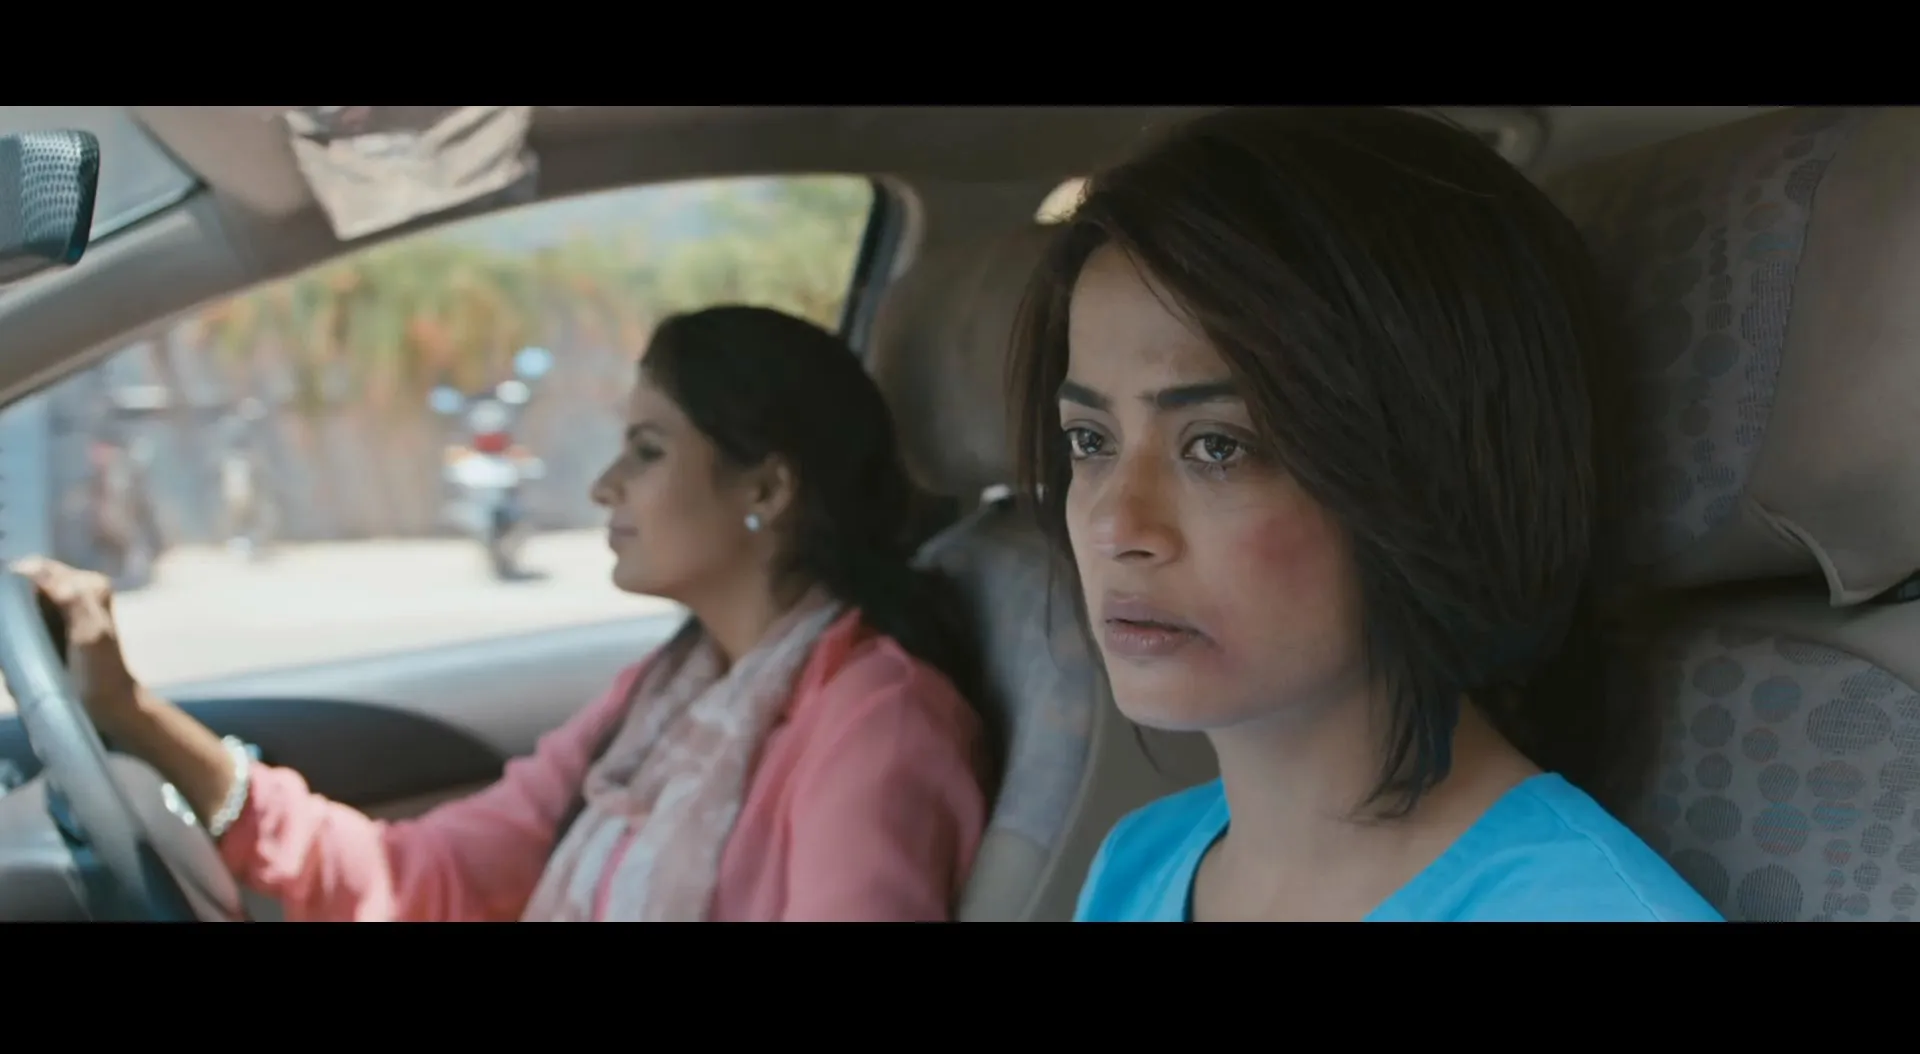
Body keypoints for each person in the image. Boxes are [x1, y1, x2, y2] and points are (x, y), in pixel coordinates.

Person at [20, 304, 990, 922]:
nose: (605, 486)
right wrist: (134, 715)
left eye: (648, 451)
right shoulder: (668, 696)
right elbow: (421, 876)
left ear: (767, 488)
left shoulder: (878, 726)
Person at [1007, 107, 1722, 922]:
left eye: (1217, 447)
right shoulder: (1140, 861)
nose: (1114, 527)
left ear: (1433, 473)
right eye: (1090, 440)